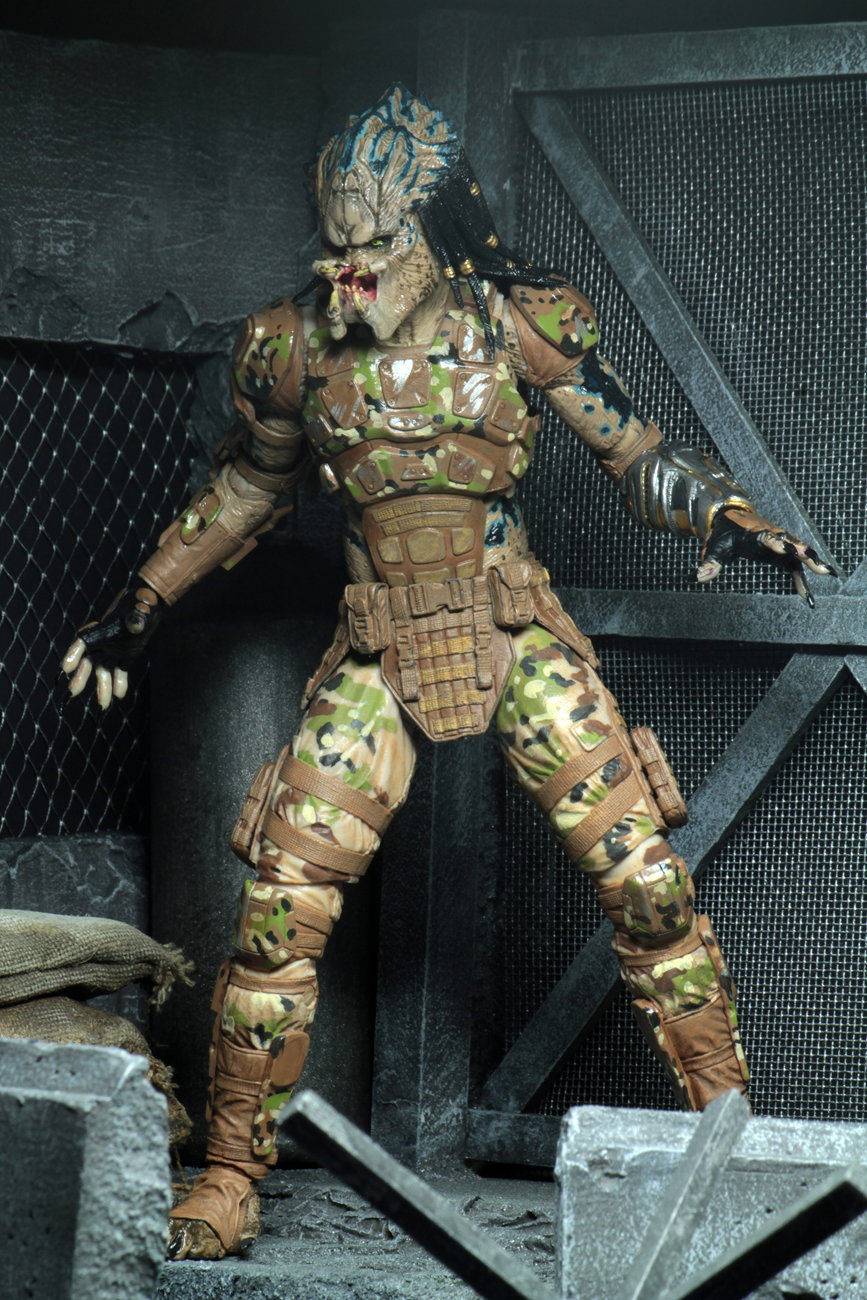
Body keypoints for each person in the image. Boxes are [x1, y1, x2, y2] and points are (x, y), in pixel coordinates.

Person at [61, 84, 833, 1260]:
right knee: (277, 908)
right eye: (335, 249)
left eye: (375, 246)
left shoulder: (516, 322)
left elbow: (635, 452)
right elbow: (248, 488)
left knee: (648, 885)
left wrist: (727, 516)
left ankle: (743, 1151)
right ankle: (228, 1174)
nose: (348, 272)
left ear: (432, 229)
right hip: (377, 649)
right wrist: (143, 601)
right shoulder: (291, 347)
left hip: (512, 631)